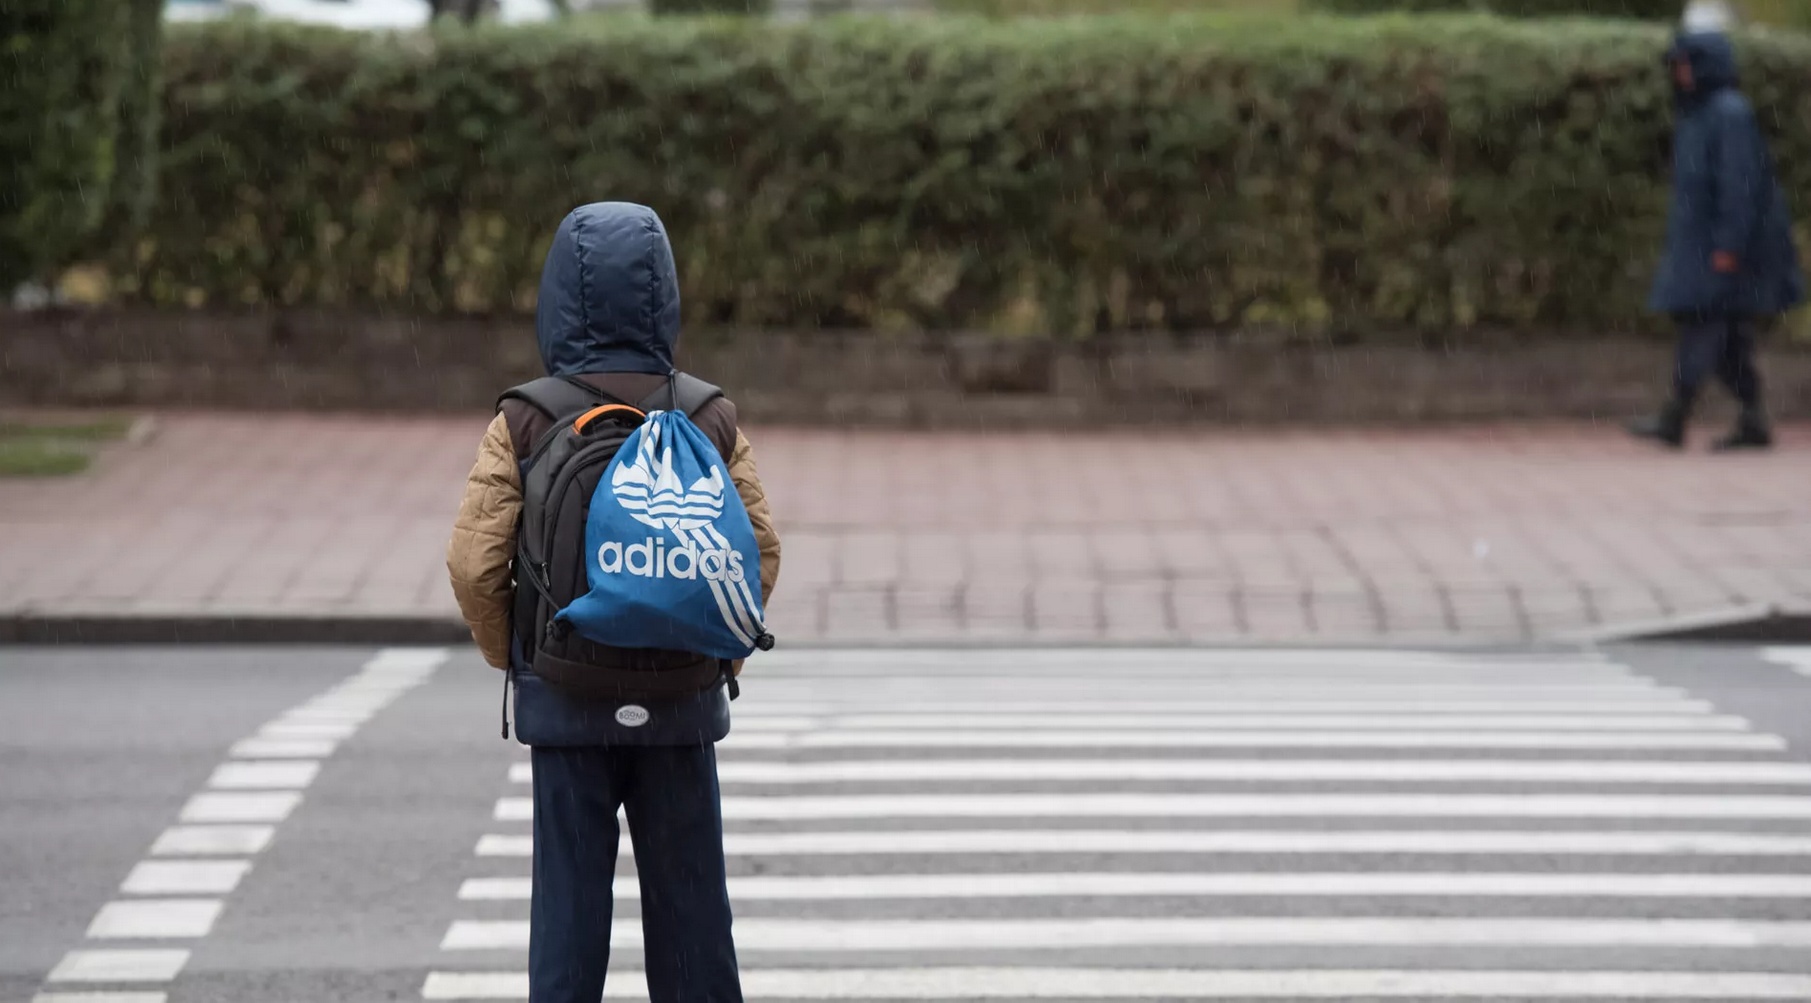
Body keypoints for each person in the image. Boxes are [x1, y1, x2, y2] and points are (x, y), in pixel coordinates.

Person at [446, 201, 782, 1003]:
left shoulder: (525, 418)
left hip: (567, 697)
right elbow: (757, 549)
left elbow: (473, 561)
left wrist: (524, 657)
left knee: (567, 906)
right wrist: (712, 645)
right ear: (665, 294)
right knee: (692, 911)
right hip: (679, 697)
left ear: (556, 295)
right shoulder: (706, 412)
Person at [1630, 23, 1803, 450]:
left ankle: (1675, 416)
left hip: (1723, 249)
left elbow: (1738, 184)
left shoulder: (1727, 114)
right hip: (1705, 244)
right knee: (1726, 339)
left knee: (1703, 326)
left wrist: (1729, 244)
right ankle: (1753, 420)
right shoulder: (1697, 115)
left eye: (1686, 64)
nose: (1680, 73)